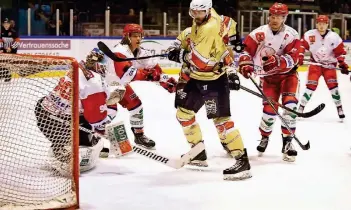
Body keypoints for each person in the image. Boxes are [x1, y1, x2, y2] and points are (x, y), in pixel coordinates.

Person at [167, 0, 251, 181]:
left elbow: (200, 61)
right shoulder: (208, 19)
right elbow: (230, 22)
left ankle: (242, 160)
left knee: (221, 122)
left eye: (199, 12)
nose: (196, 16)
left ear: (207, 11)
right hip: (196, 78)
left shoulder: (209, 28)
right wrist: (236, 38)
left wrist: (179, 55)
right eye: (193, 12)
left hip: (214, 80)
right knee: (183, 113)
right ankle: (198, 152)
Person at [34, 48, 127, 173]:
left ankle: (68, 145)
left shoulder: (78, 68)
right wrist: (103, 131)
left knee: (87, 131)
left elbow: (85, 102)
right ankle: (62, 152)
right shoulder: (94, 82)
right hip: (57, 121)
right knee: (78, 156)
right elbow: (95, 118)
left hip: (45, 112)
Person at [238, 2, 300, 162]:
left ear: (284, 18)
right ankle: (265, 136)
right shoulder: (258, 33)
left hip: (288, 76)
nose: (275, 19)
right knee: (270, 110)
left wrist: (278, 62)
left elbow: (294, 57)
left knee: (290, 106)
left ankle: (287, 142)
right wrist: (245, 64)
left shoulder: (291, 35)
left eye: (278, 16)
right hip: (268, 78)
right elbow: (246, 51)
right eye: (272, 16)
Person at [106, 23, 177, 150]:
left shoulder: (141, 52)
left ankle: (139, 136)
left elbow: (155, 70)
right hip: (105, 85)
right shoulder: (120, 51)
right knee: (110, 112)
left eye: (139, 36)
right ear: (127, 37)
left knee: (135, 105)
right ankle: (91, 135)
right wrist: (148, 76)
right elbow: (127, 75)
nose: (138, 39)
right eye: (134, 36)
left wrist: (169, 83)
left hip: (119, 85)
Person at [298, 15, 349, 121]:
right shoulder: (309, 34)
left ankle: (339, 108)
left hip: (329, 66)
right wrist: (300, 56)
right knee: (310, 87)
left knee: (333, 88)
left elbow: (339, 52)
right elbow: (301, 46)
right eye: (319, 24)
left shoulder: (334, 37)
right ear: (316, 24)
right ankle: (301, 108)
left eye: (323, 24)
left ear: (327, 24)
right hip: (315, 64)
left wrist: (342, 64)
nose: (321, 26)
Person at [0, 18, 20, 82]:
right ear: (3, 24)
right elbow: (0, 42)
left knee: (6, 64)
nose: (6, 25)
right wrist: (1, 49)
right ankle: (5, 75)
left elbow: (17, 42)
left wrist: (11, 48)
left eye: (7, 24)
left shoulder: (13, 32)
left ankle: (7, 75)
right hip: (4, 51)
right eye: (4, 24)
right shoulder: (1, 32)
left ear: (9, 24)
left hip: (12, 51)